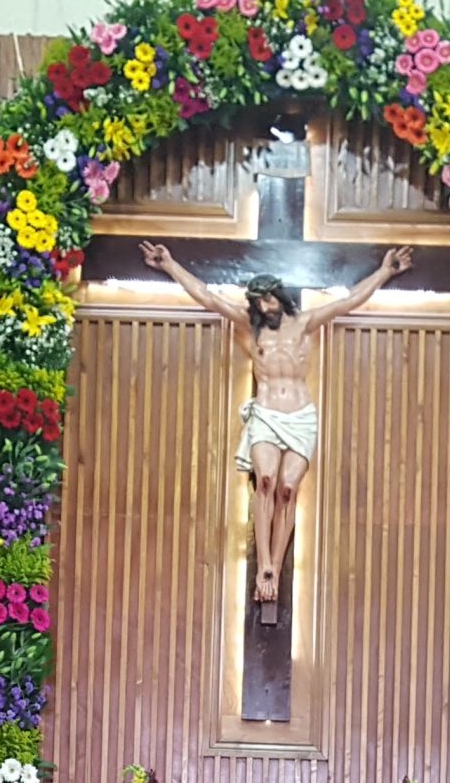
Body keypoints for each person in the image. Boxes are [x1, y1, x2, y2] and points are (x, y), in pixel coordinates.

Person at [138, 240, 415, 616]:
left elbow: (349, 301)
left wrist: (385, 271)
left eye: (268, 300)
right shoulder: (250, 328)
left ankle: (276, 566)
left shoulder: (304, 323)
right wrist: (170, 265)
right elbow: (207, 297)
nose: (264, 308)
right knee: (265, 480)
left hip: (300, 415)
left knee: (288, 488)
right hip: (267, 412)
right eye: (258, 302)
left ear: (280, 297)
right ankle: (263, 562)